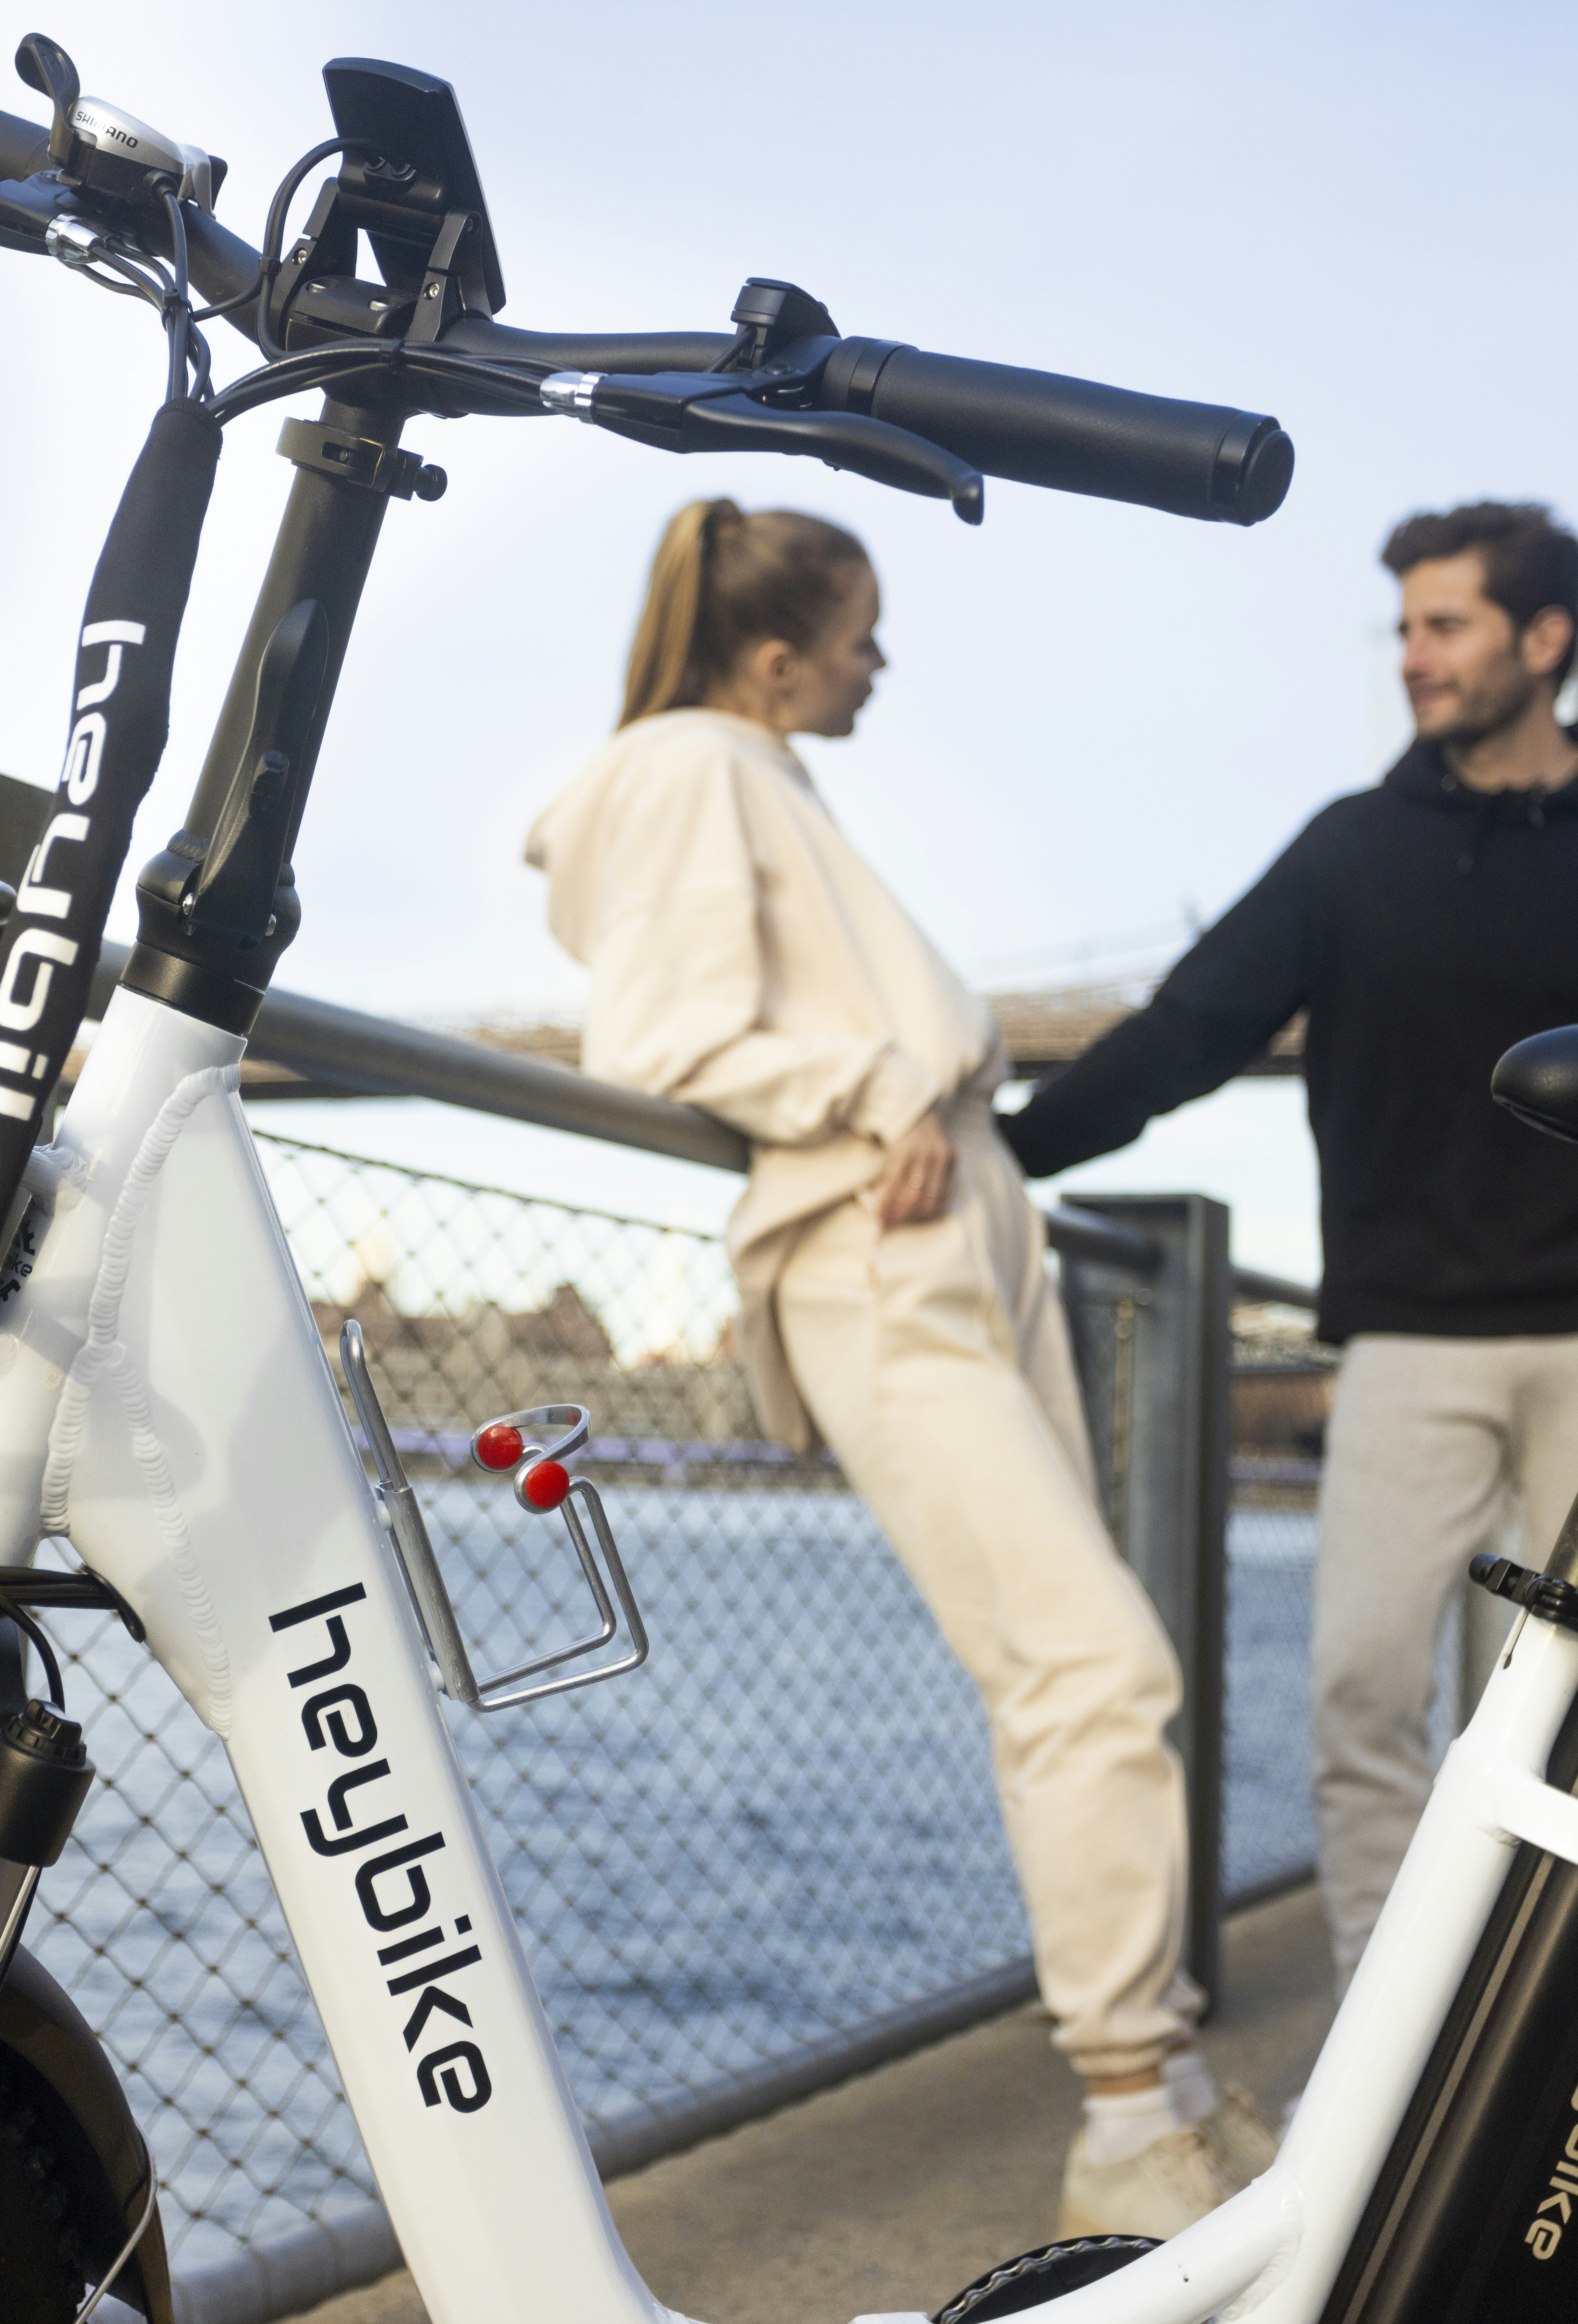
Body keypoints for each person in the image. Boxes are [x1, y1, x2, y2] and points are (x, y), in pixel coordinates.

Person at [526, 500, 1271, 2239]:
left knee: (1063, 1675)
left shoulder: (763, 775)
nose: (881, 664)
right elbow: (654, 1031)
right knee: (1095, 1665)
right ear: (777, 657)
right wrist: (867, 1086)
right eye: (862, 635)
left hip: (952, 1235)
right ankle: (1123, 2116)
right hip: (881, 1244)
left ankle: (1160, 2090)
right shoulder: (689, 768)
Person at [997, 502, 1578, 1991]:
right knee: (1362, 1688)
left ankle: (1559, 2017)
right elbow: (1189, 1030)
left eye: (1445, 626)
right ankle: (1388, 2021)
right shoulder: (1351, 850)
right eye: (1406, 629)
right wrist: (1006, 1153)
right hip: (1410, 1339)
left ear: (1543, 640)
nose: (1412, 657)